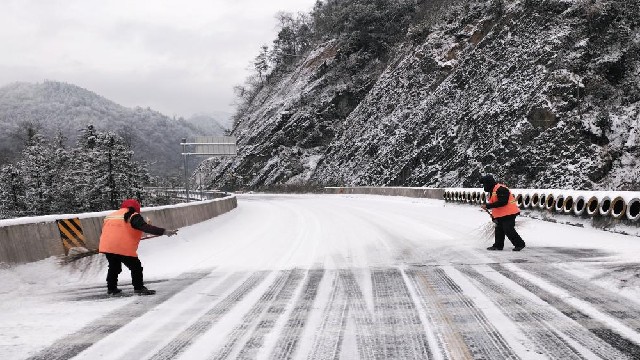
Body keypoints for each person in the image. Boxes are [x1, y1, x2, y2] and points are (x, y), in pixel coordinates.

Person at [99, 199, 178, 295]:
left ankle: (111, 288)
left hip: (107, 246)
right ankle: (139, 288)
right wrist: (165, 231)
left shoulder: (110, 216)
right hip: (122, 247)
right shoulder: (133, 216)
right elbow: (145, 228)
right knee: (136, 267)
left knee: (114, 267)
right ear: (136, 207)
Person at [479, 175, 526, 251]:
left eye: (484, 184)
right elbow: (495, 204)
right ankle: (498, 245)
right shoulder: (492, 191)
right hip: (501, 214)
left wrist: (488, 206)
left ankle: (519, 244)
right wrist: (493, 216)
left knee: (508, 229)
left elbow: (502, 202)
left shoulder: (501, 189)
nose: (484, 186)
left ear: (488, 183)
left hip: (509, 213)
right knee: (499, 229)